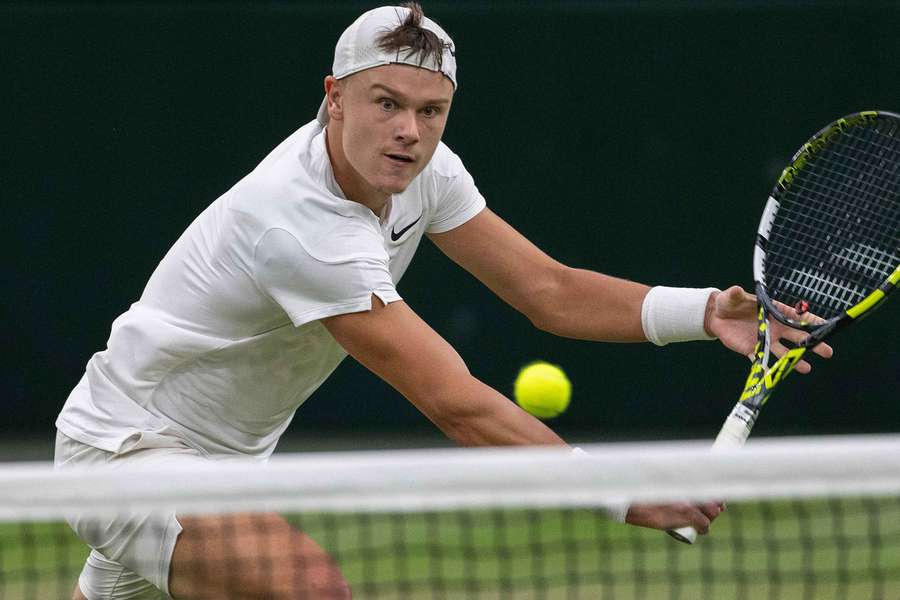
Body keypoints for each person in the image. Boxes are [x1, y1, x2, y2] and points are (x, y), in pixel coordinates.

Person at [55, 3, 832, 599]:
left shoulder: (428, 172)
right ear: (334, 97)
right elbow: (455, 402)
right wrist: (622, 492)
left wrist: (704, 312)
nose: (409, 133)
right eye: (385, 104)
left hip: (230, 464)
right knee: (310, 587)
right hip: (127, 452)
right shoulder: (298, 224)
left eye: (431, 112)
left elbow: (549, 291)